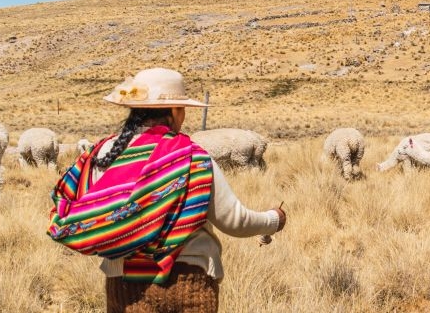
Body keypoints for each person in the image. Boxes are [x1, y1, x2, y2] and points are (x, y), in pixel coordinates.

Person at [50, 67, 284, 312]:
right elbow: (233, 220)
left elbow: (77, 203)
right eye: (182, 109)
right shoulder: (192, 157)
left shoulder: (101, 155)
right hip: (189, 283)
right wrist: (272, 220)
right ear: (174, 111)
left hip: (124, 285)